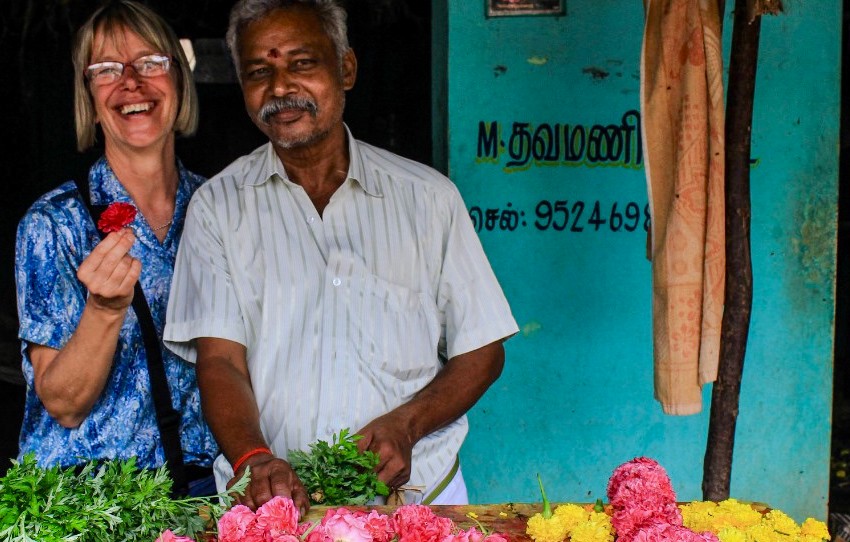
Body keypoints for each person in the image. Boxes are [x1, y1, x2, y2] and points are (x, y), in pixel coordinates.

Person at [164, 0, 518, 510]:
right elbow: (221, 362)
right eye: (259, 71)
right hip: (277, 508)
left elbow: (483, 349)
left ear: (345, 68)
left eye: (302, 63)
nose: (280, 87)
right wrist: (253, 458)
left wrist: (407, 424)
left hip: (418, 498)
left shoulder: (428, 198)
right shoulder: (217, 208)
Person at [15, 0, 218, 496]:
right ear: (89, 95)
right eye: (106, 69)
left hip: (208, 497)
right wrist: (103, 311)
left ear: (179, 78)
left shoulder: (222, 210)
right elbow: (63, 403)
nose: (131, 82)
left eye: (150, 63)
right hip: (87, 502)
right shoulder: (54, 224)